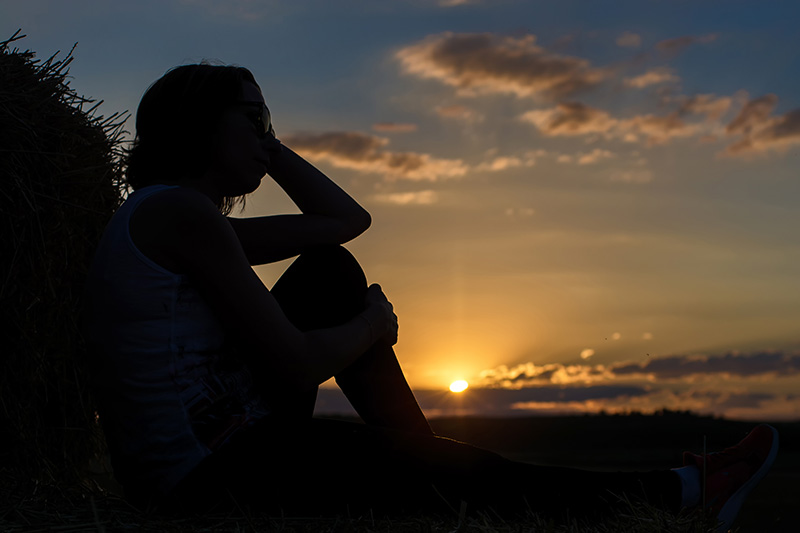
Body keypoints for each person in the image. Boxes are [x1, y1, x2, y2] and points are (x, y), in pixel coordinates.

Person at [83, 64, 778, 531]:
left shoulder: (181, 216)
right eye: (254, 119)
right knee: (467, 466)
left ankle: (425, 468)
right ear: (202, 125)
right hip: (205, 479)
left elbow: (344, 224)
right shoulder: (178, 213)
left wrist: (265, 142)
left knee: (328, 267)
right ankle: (677, 496)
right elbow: (296, 365)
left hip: (239, 440)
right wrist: (371, 326)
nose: (267, 136)